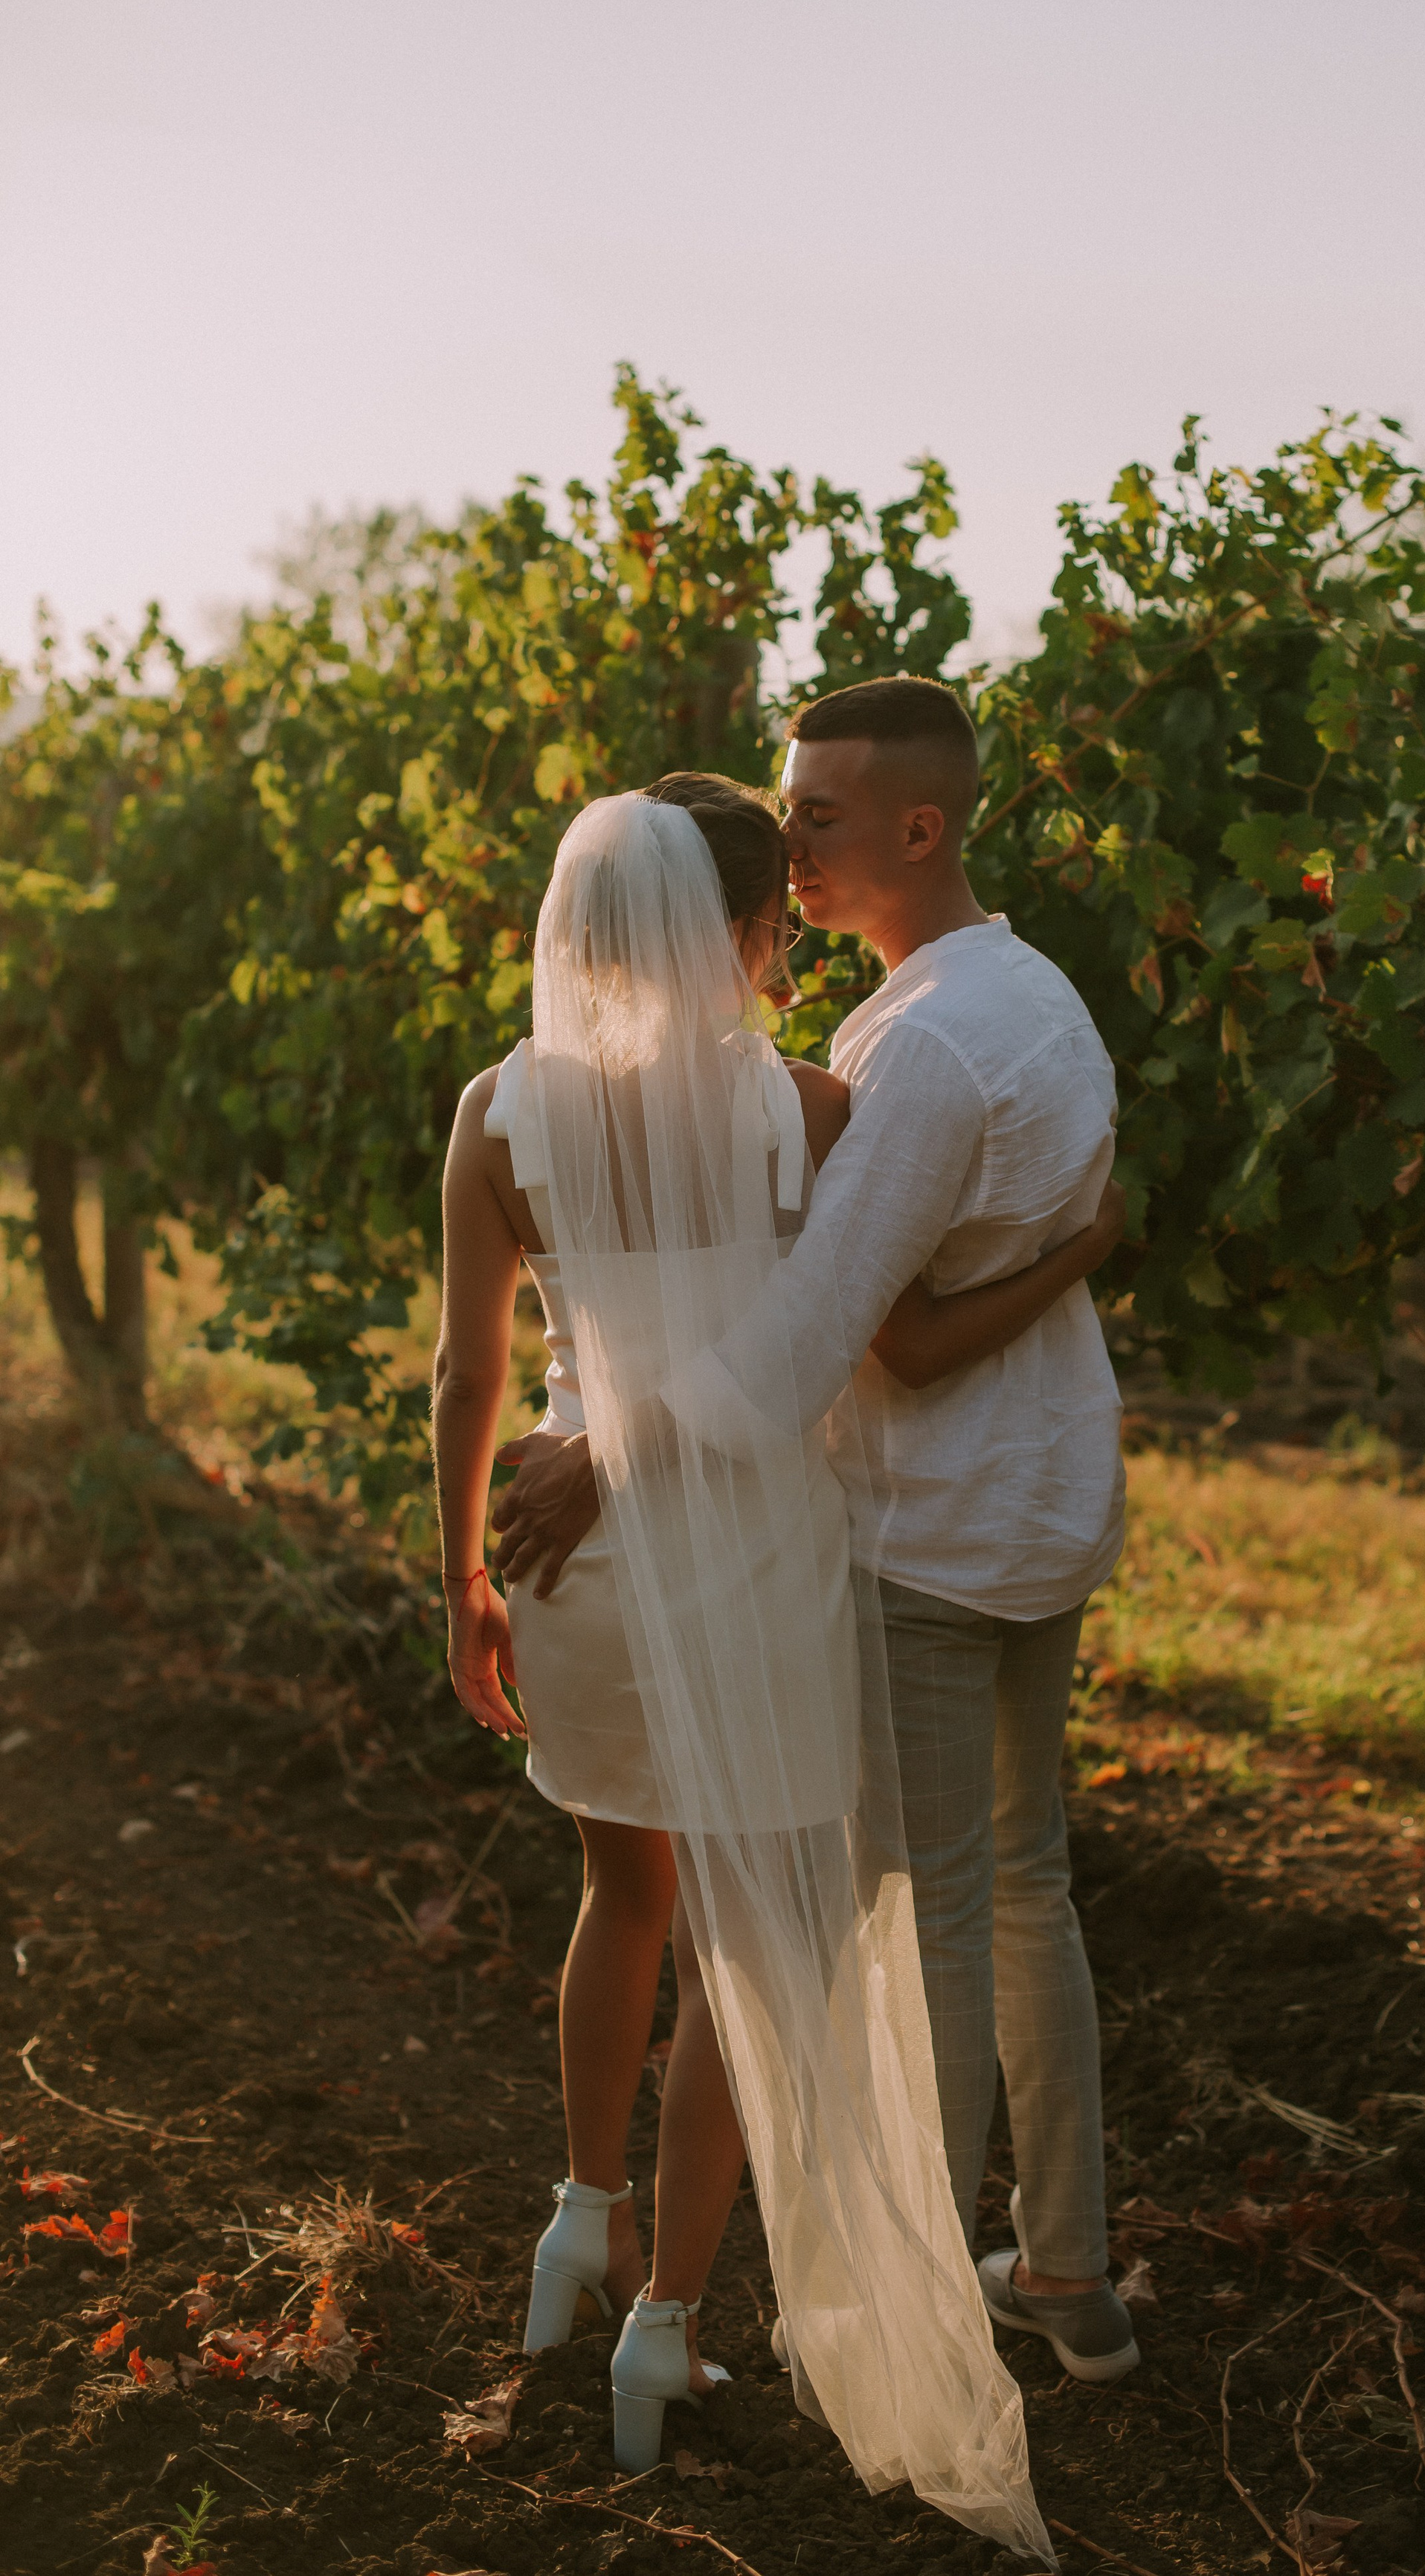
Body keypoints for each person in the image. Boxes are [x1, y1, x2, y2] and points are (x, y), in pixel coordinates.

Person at [431, 770, 1122, 2550]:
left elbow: (466, 1376)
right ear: (735, 932)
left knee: (623, 1900)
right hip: (746, 1558)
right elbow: (885, 1328)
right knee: (742, 1956)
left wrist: (460, 1582)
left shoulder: (497, 1112)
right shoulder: (807, 1110)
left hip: (571, 1560)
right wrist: (1080, 1249)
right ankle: (665, 2321)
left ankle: (576, 2217)